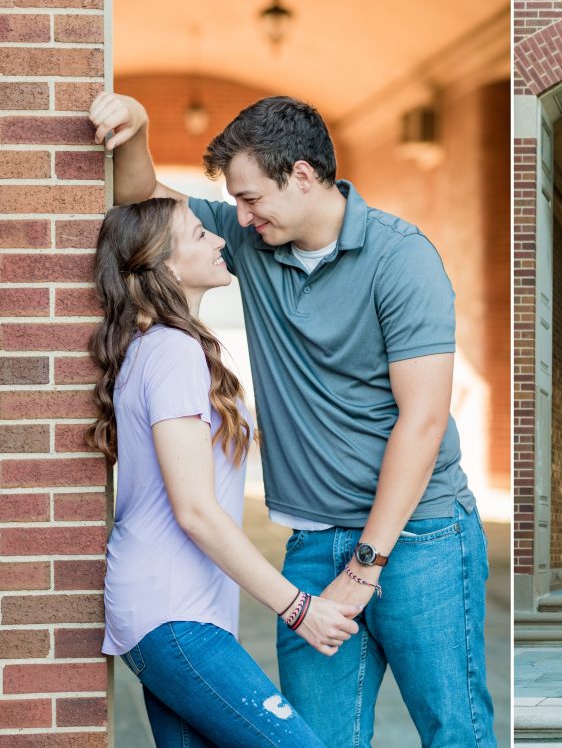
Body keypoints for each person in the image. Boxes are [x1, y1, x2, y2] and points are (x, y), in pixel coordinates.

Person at [89, 92, 496, 747]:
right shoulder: (252, 244)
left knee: (455, 732)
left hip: (420, 539)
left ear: (303, 175)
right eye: (235, 202)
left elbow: (422, 421)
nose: (237, 218)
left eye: (250, 198)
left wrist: (367, 564)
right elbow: (145, 204)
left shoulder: (401, 258)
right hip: (310, 545)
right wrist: (137, 124)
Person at [87, 198, 360, 747]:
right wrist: (296, 606)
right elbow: (195, 511)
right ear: (164, 265)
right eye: (198, 234)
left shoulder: (152, 347)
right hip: (175, 618)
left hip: (168, 617)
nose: (218, 240)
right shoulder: (172, 351)